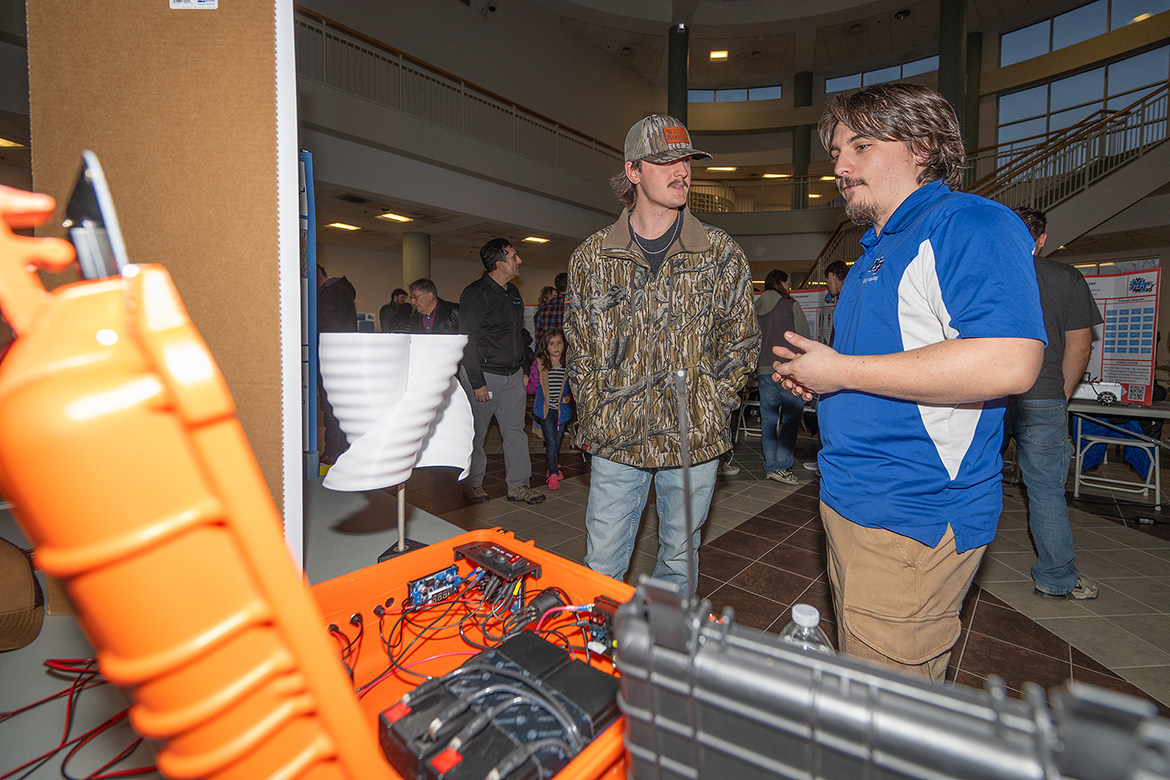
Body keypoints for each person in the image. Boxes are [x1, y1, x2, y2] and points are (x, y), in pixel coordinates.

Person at [773, 83, 1046, 681]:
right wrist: (827, 383)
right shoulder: (876, 251)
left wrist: (840, 371)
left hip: (913, 511)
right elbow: (890, 368)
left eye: (861, 146)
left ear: (922, 148)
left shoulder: (968, 224)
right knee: (863, 683)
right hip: (855, 499)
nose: (840, 167)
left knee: (887, 709)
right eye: (837, 152)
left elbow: (1011, 361)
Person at [566, 114, 759, 591]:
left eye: (687, 160)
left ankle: (666, 640)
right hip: (617, 439)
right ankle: (601, 639)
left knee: (679, 561)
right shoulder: (593, 257)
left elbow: (741, 341)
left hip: (693, 441)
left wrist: (712, 403)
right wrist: (598, 408)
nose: (682, 171)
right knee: (602, 564)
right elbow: (580, 346)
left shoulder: (719, 252)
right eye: (665, 161)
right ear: (633, 171)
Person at [1005, 206, 1102, 601]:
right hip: (1043, 394)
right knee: (1045, 492)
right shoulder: (1066, 278)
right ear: (1042, 240)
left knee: (971, 478)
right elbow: (1081, 345)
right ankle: (1056, 578)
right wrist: (1060, 391)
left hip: (986, 395)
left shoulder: (987, 273)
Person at [459, 238, 545, 505]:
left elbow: (519, 335)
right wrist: (477, 382)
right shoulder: (475, 294)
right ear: (499, 263)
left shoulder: (513, 293)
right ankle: (473, 484)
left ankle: (519, 486)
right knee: (476, 434)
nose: (519, 260)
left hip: (512, 376)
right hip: (484, 375)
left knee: (516, 432)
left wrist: (523, 367)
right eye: (514, 256)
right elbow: (468, 340)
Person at [756, 269, 810, 484]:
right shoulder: (790, 305)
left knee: (768, 421)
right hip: (788, 371)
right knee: (790, 419)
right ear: (781, 283)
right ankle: (781, 466)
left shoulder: (756, 308)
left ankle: (770, 466)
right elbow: (803, 338)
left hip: (763, 370)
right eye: (788, 283)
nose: (789, 287)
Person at [317, 263, 358, 466]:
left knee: (333, 407)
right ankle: (337, 451)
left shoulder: (333, 292)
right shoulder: (339, 291)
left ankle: (334, 453)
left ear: (317, 274)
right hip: (340, 358)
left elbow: (334, 328)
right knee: (336, 407)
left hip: (334, 358)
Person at [527, 328, 573, 490]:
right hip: (545, 411)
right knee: (551, 442)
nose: (556, 347)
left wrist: (570, 397)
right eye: (552, 343)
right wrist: (525, 382)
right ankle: (553, 474)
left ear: (564, 345)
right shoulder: (540, 363)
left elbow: (575, 387)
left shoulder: (569, 365)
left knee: (557, 441)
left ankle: (551, 465)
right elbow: (532, 388)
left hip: (562, 412)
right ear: (545, 346)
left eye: (559, 343)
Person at [533, 273, 568, 345]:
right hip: (569, 349)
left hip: (549, 349)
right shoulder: (574, 306)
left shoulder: (544, 307)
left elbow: (538, 337)